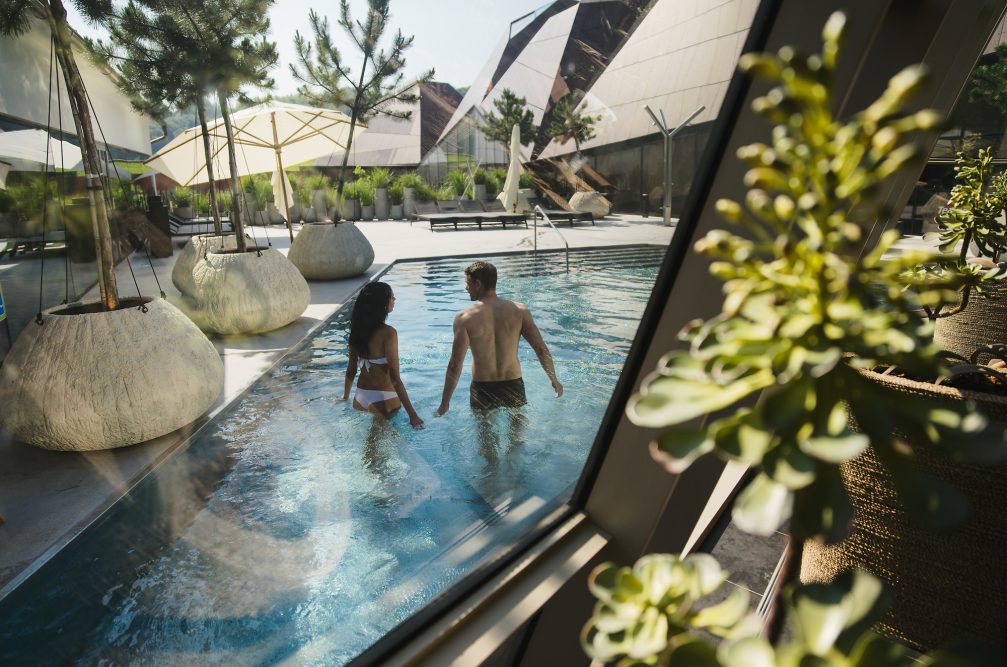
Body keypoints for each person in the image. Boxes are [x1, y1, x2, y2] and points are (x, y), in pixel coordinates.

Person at [435, 261, 563, 422]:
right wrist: (554, 380)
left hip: (482, 387)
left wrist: (445, 403)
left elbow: (455, 364)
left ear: (478, 284)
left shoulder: (464, 318)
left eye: (468, 283)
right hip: (513, 384)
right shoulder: (520, 311)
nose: (466, 288)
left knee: (487, 444)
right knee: (516, 440)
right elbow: (541, 349)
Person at [338, 281, 424, 430]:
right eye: (392, 297)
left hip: (360, 398)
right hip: (384, 398)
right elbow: (395, 379)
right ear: (382, 303)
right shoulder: (389, 333)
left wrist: (345, 397)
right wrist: (413, 415)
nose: (394, 300)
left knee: (374, 439)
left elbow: (351, 370)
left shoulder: (356, 330)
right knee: (375, 447)